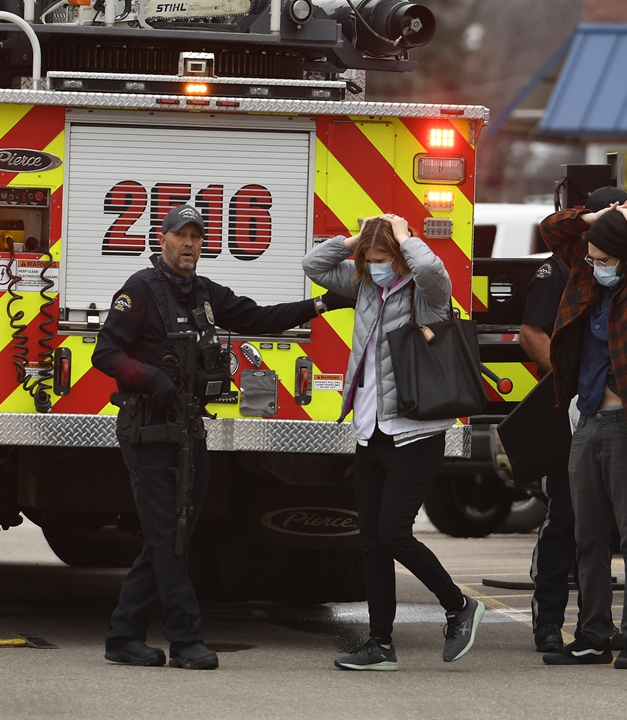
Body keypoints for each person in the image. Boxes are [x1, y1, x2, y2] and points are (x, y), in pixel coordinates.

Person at [95, 204, 347, 671]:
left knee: (172, 536)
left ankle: (124, 636)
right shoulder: (140, 291)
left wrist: (323, 304)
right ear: (162, 238)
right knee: (170, 538)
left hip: (188, 430)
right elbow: (106, 354)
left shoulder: (205, 294)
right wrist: (153, 378)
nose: (189, 243)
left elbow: (258, 318)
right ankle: (186, 640)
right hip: (148, 431)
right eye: (181, 235)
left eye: (196, 236)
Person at [303, 214, 485, 671]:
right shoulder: (364, 283)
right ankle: (380, 645)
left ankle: (459, 605)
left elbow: (435, 273)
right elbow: (313, 265)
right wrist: (352, 241)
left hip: (415, 433)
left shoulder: (424, 295)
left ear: (399, 257)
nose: (374, 267)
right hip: (370, 431)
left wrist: (407, 237)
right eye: (369, 260)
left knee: (393, 533)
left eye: (382, 259)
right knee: (371, 542)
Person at [537, 188, 627, 670]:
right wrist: (597, 216)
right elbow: (552, 229)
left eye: (602, 257)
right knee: (587, 538)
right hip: (589, 422)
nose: (594, 263)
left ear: (622, 257)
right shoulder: (585, 278)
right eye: (591, 255)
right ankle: (593, 634)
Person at [519, 251, 578, 653]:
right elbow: (531, 334)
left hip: (615, 413)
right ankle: (550, 621)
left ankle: (596, 622)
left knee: (603, 529)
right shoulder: (557, 270)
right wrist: (570, 381)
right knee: (565, 518)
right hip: (570, 409)